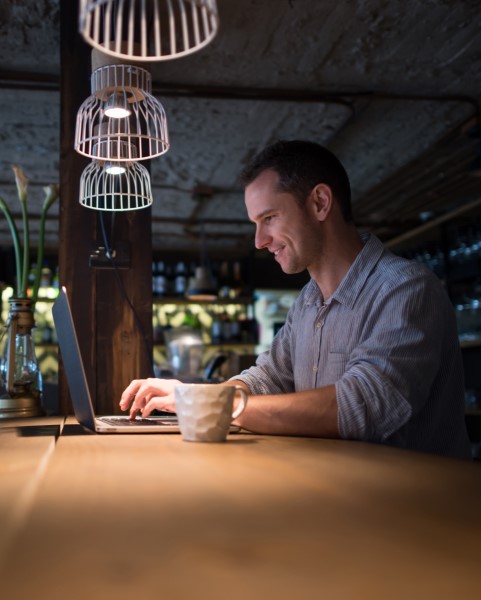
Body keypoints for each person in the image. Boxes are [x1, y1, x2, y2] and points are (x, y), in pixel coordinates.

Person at [120, 140, 472, 459]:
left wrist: (210, 404)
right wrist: (199, 399)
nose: (259, 241)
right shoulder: (307, 301)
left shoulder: (406, 289)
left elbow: (363, 407)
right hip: (339, 496)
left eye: (269, 218)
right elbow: (266, 378)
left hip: (418, 513)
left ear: (320, 203)